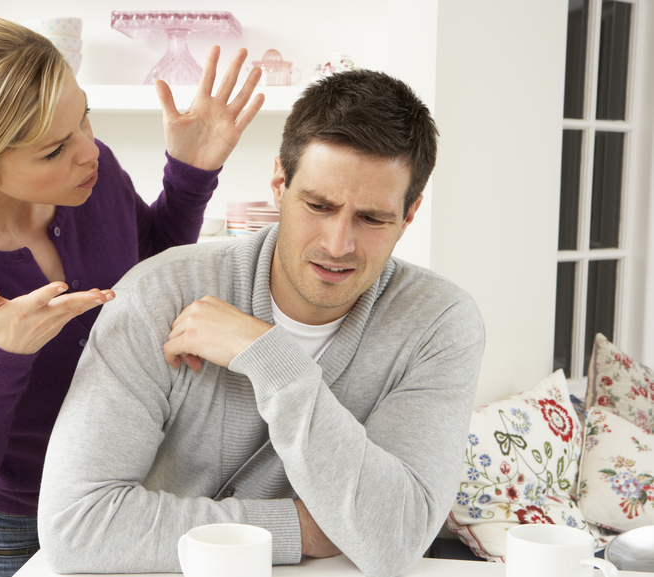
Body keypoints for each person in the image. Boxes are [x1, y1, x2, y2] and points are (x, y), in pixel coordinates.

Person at [0, 13, 264, 577]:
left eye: (85, 119)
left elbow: (148, 270)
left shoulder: (93, 185)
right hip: (16, 532)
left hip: (140, 495)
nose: (89, 151)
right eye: (53, 150)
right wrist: (2, 358)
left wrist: (190, 175)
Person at [38, 69, 486, 576]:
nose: (338, 245)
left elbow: (396, 539)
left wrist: (274, 362)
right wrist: (299, 528)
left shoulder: (439, 323)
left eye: (373, 219)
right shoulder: (158, 294)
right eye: (318, 206)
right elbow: (75, 527)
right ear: (279, 183)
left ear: (408, 216)